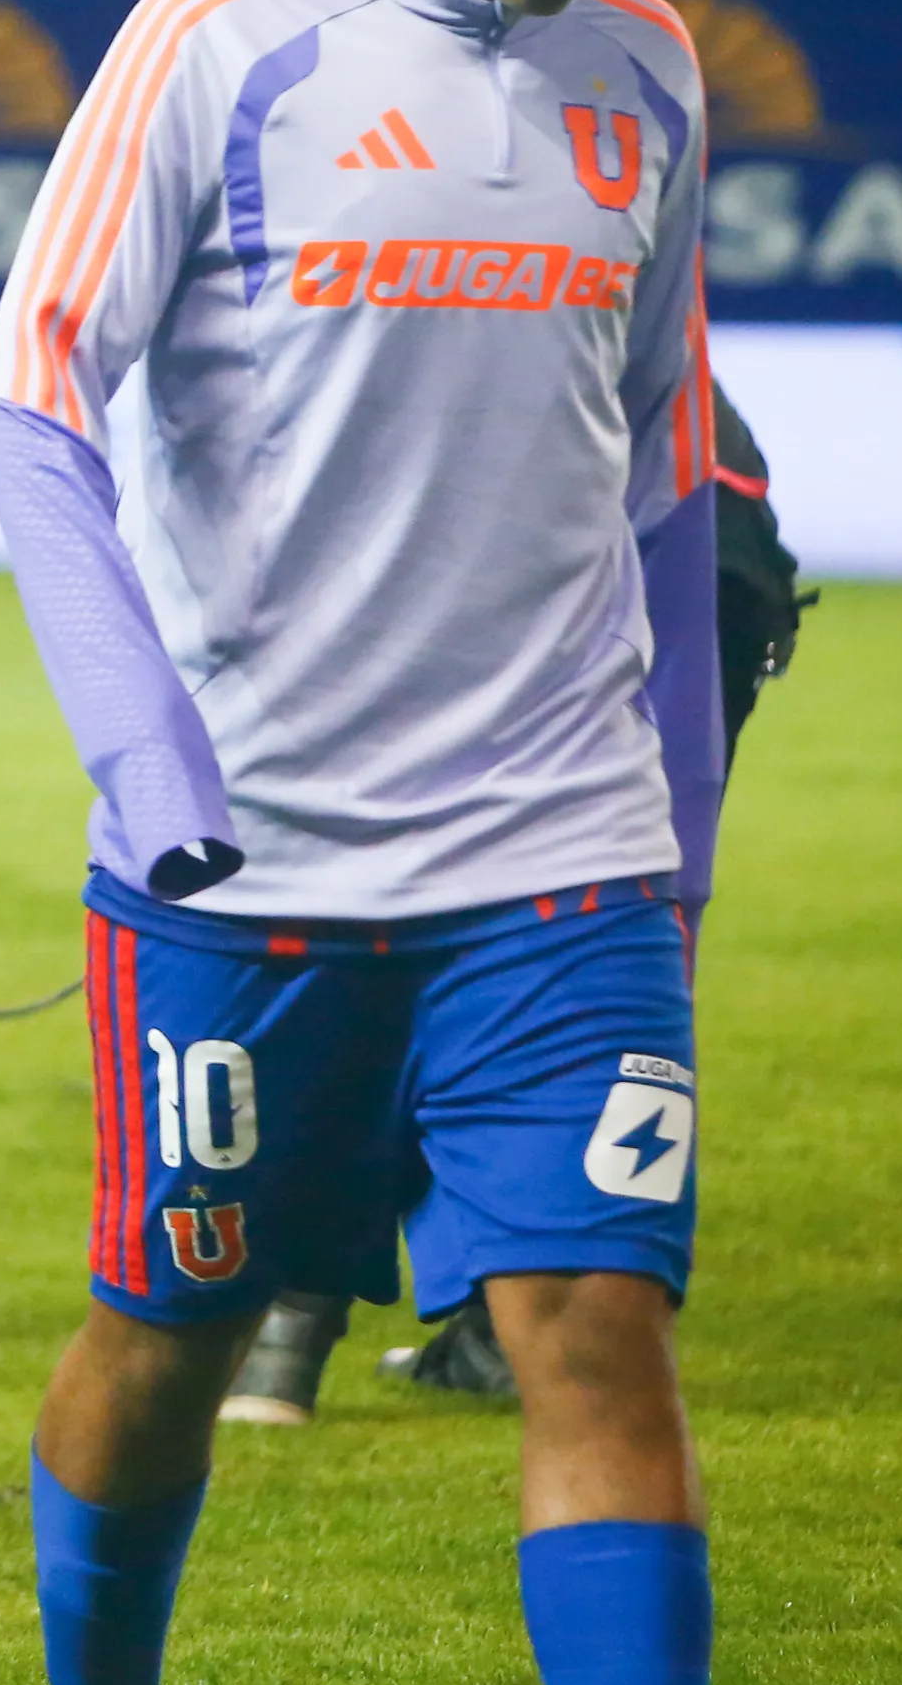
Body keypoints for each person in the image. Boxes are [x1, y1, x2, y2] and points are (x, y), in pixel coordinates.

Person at [0, 0, 725, 1685]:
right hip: (249, 858)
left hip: (557, 854)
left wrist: (679, 816)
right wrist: (145, 750)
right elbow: (33, 401)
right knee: (168, 1323)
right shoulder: (219, 35)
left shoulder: (653, 71)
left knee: (596, 1326)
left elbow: (669, 453)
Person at [223, 383, 810, 1422]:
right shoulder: (598, 236)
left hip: (527, 543)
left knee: (383, 921)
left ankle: (292, 1326)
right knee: (617, 933)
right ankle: (514, 1320)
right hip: (701, 525)